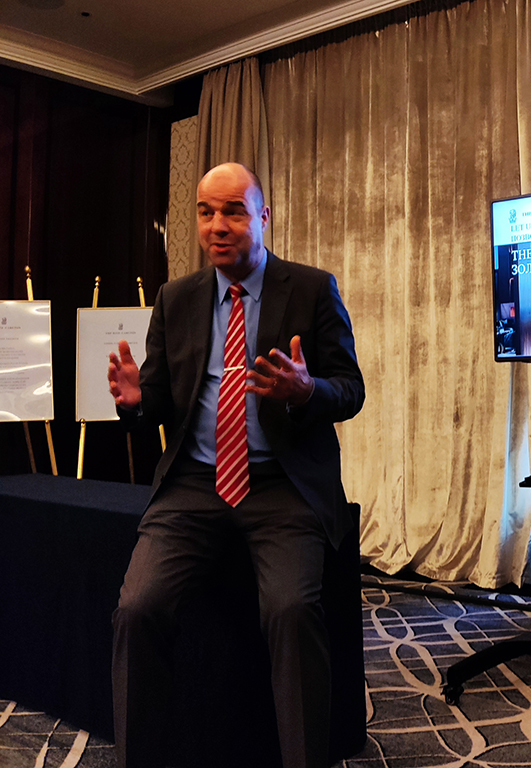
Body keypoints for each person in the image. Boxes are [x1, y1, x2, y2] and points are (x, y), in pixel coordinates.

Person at [107, 162, 365, 768]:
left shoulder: (312, 289)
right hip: (194, 484)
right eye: (205, 212)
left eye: (233, 211)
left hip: (282, 486)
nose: (217, 226)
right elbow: (159, 397)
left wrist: (307, 391)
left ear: (263, 217)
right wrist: (137, 403)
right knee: (136, 608)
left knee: (292, 610)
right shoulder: (176, 298)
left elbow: (350, 389)